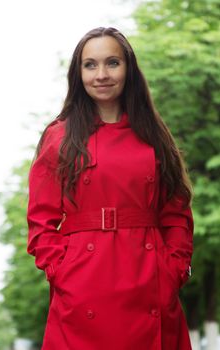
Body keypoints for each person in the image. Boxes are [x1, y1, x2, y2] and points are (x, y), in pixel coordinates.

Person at [27, 27, 194, 350]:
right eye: (90, 65)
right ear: (78, 73)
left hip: (150, 281)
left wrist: (173, 270)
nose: (101, 74)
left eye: (112, 63)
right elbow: (40, 222)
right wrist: (60, 272)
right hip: (82, 283)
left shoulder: (155, 136)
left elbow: (176, 214)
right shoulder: (59, 137)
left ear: (128, 68)